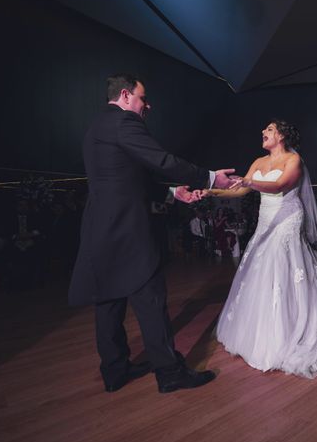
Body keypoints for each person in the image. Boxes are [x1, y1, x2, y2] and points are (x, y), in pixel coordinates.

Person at [69, 73, 237, 393]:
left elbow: (129, 178)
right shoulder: (124, 123)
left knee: (108, 302)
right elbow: (161, 160)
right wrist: (211, 178)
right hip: (127, 230)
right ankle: (170, 373)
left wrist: (174, 194)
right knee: (150, 298)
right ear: (125, 96)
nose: (147, 105)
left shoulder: (95, 128)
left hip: (100, 229)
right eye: (143, 98)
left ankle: (115, 370)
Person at [210, 119, 317, 378]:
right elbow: (238, 191)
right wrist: (210, 192)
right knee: (260, 270)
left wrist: (249, 183)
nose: (263, 132)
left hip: (288, 219)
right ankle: (262, 332)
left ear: (281, 135)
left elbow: (279, 186)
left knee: (282, 267)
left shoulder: (294, 160)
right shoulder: (258, 162)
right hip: (266, 221)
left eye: (268, 129)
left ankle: (292, 332)